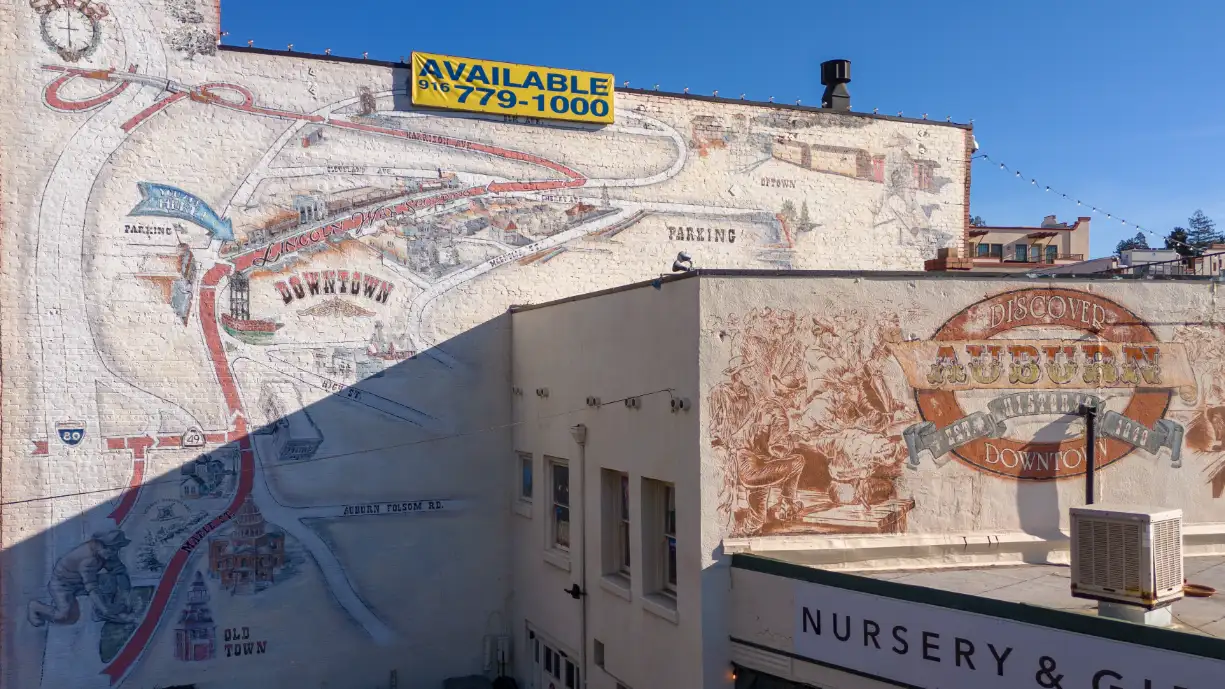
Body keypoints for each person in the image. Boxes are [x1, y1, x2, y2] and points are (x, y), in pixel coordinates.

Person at [28, 529, 135, 627]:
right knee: (66, 617)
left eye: (116, 549)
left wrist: (125, 595)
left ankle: (101, 614)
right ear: (100, 545)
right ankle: (36, 607)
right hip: (63, 585)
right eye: (112, 549)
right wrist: (105, 609)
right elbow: (92, 588)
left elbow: (120, 571)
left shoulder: (105, 553)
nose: (114, 553)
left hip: (80, 582)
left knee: (110, 580)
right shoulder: (89, 560)